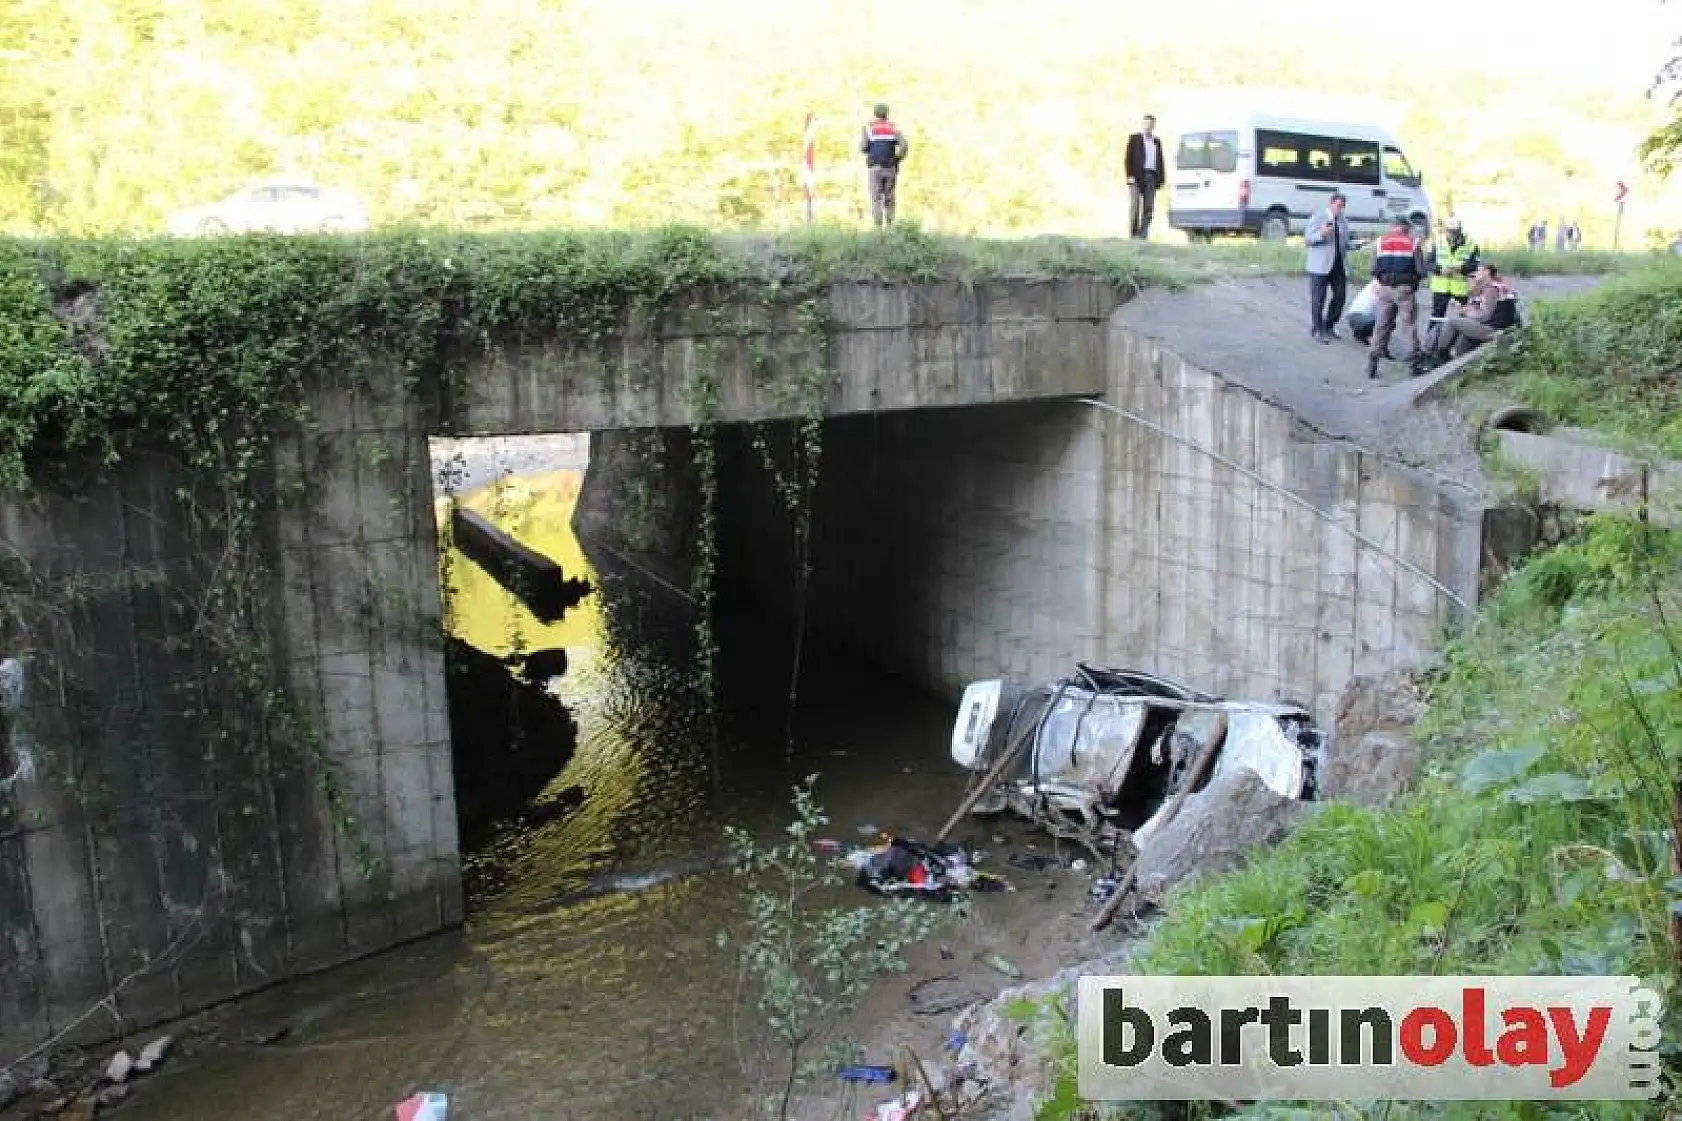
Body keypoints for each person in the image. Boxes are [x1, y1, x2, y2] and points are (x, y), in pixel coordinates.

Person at [1367, 215, 1428, 379]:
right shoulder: (1413, 243)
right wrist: (1415, 280)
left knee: (1381, 325)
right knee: (1408, 325)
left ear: (1393, 226)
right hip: (1404, 289)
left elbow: (1372, 268)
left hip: (1385, 289)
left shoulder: (1380, 242)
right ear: (1404, 227)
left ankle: (1373, 361)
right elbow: (1421, 270)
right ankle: (1414, 363)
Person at [1429, 263, 1519, 364]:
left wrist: (1465, 312)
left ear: (1486, 272)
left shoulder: (1491, 289)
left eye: (1478, 271)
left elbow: (1484, 316)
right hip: (1492, 327)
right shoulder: (1487, 287)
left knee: (1452, 322)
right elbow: (1478, 310)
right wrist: (1464, 310)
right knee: (1460, 345)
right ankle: (1443, 359)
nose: (1475, 273)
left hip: (1494, 329)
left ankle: (1439, 355)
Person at [1304, 193, 1357, 343]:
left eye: (1342, 206)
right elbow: (1308, 240)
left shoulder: (1343, 220)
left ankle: (1329, 325)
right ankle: (1317, 329)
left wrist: (1356, 245)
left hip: (1338, 264)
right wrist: (1321, 234)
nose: (1339, 209)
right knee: (1318, 299)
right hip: (1319, 265)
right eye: (1338, 206)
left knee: (1340, 296)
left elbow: (1343, 243)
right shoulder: (1319, 217)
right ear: (1331, 203)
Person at [860, 103, 909, 228]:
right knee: (889, 198)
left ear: (875, 113)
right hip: (890, 167)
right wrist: (897, 159)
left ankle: (878, 229)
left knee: (876, 199)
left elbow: (863, 148)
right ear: (887, 114)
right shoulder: (894, 128)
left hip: (874, 168)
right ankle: (890, 227)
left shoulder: (868, 128)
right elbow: (904, 145)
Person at [1125, 115, 1166, 240]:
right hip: (1136, 176)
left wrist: (1161, 179)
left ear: (1153, 126)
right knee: (1135, 205)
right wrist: (1129, 175)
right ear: (1142, 125)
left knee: (1148, 207)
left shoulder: (1157, 141)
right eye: (1146, 124)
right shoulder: (1135, 139)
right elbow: (1128, 158)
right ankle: (1133, 235)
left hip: (1151, 176)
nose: (1148, 126)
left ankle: (1143, 235)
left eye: (1150, 124)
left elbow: (1160, 160)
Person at [1344, 278, 1382, 346]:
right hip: (1361, 318)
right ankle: (1365, 336)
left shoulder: (1374, 283)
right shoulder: (1378, 285)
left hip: (1354, 317)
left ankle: (1359, 333)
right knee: (1386, 319)